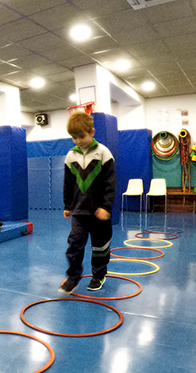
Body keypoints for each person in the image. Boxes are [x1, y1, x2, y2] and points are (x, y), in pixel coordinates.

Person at [59, 112, 116, 294]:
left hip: (99, 211)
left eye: (81, 136)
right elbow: (67, 183)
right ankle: (73, 277)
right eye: (74, 138)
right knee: (74, 244)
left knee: (100, 246)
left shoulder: (103, 153)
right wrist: (67, 205)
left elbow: (110, 183)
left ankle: (98, 275)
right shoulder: (70, 156)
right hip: (78, 211)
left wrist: (106, 207)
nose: (78, 141)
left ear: (92, 132)